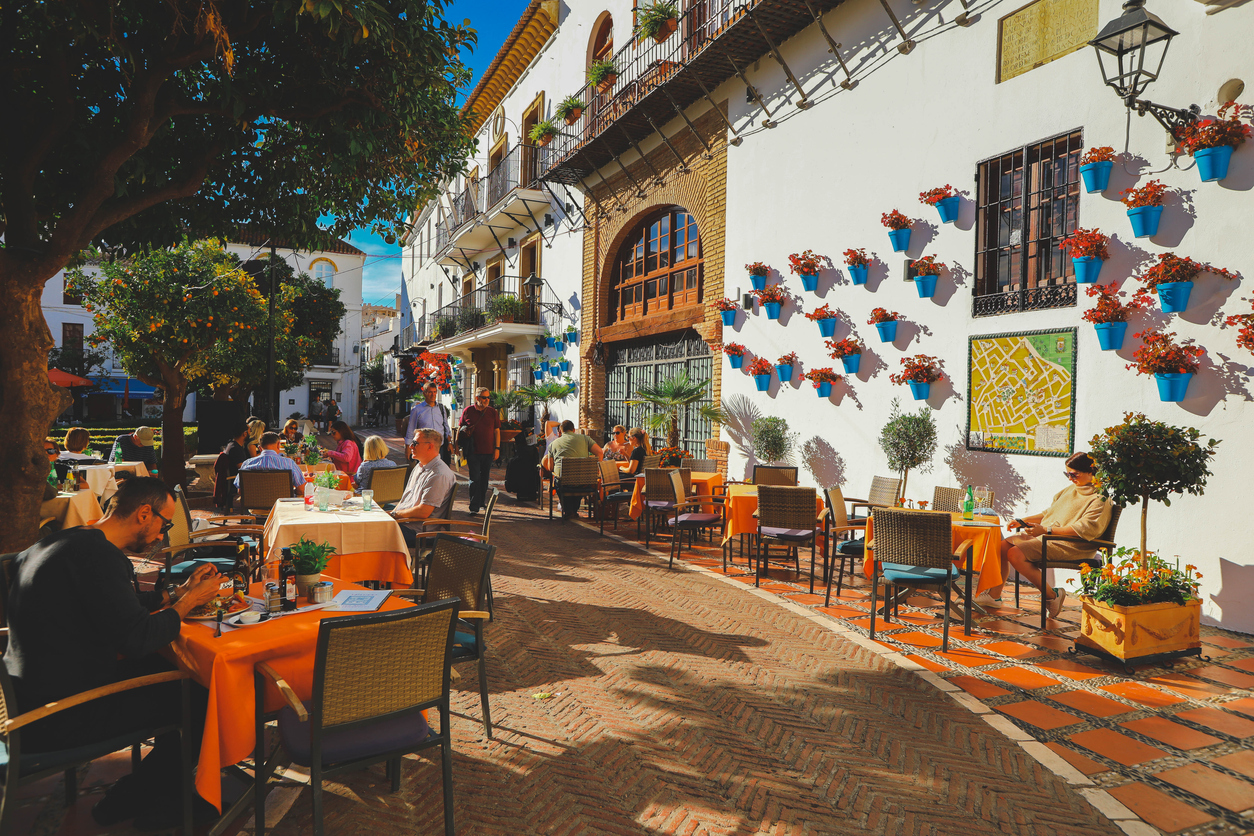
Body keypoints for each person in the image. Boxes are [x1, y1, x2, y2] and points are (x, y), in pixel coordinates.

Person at [5, 477, 224, 829]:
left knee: (171, 673)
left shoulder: (64, 543)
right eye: (164, 524)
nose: (162, 535)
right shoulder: (99, 558)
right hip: (59, 716)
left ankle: (144, 790)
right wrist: (188, 603)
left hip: (25, 697)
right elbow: (137, 638)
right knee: (198, 691)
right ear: (143, 514)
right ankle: (156, 801)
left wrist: (173, 594)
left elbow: (109, 605)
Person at [975, 452, 1113, 618]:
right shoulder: (1071, 490)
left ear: (1091, 472)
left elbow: (1085, 528)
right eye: (1067, 474)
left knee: (1015, 553)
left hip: (1073, 545)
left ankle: (1052, 596)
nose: (1070, 478)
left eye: (1074, 474)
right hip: (1049, 537)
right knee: (1001, 548)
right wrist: (1024, 520)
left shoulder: (1100, 499)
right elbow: (1051, 513)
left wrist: (1046, 530)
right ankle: (994, 596)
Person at [392, 429, 457, 548]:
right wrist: (392, 515)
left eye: (415, 443)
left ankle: (394, 566)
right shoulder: (420, 466)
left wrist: (394, 515)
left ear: (430, 446)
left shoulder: (438, 474)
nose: (411, 446)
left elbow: (424, 511)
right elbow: (404, 501)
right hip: (406, 524)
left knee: (372, 534)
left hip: (420, 532)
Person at [541, 420, 604, 519]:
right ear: (574, 430)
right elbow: (600, 452)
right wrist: (596, 470)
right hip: (584, 481)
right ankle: (573, 510)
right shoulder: (585, 438)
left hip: (564, 483)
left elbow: (550, 467)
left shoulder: (553, 444)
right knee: (578, 479)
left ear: (561, 431)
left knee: (560, 480)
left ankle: (569, 510)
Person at [458, 388, 501, 515]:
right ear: (477, 398)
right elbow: (460, 429)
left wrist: (497, 449)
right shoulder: (468, 411)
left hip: (488, 451)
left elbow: (497, 431)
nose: (487, 400)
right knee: (474, 478)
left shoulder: (492, 412)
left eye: (488, 397)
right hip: (473, 451)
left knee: (484, 479)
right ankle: (474, 506)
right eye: (484, 397)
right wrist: (457, 447)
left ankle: (481, 502)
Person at [236, 431, 305, 490]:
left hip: (253, 505)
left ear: (260, 448)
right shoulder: (289, 463)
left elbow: (240, 491)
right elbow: (301, 489)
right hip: (281, 504)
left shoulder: (247, 464)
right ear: (278, 445)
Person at [405, 382, 452, 466]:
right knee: (425, 470)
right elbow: (411, 429)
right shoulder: (417, 410)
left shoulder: (441, 408)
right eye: (430, 392)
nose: (433, 394)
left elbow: (446, 427)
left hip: (439, 447)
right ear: (424, 393)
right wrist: (408, 447)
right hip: (424, 448)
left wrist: (450, 443)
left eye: (434, 392)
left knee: (440, 471)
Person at [212, 423, 251, 510]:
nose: (250, 433)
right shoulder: (235, 449)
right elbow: (242, 468)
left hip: (236, 478)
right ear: (244, 434)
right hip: (236, 481)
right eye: (249, 431)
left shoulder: (232, 445)